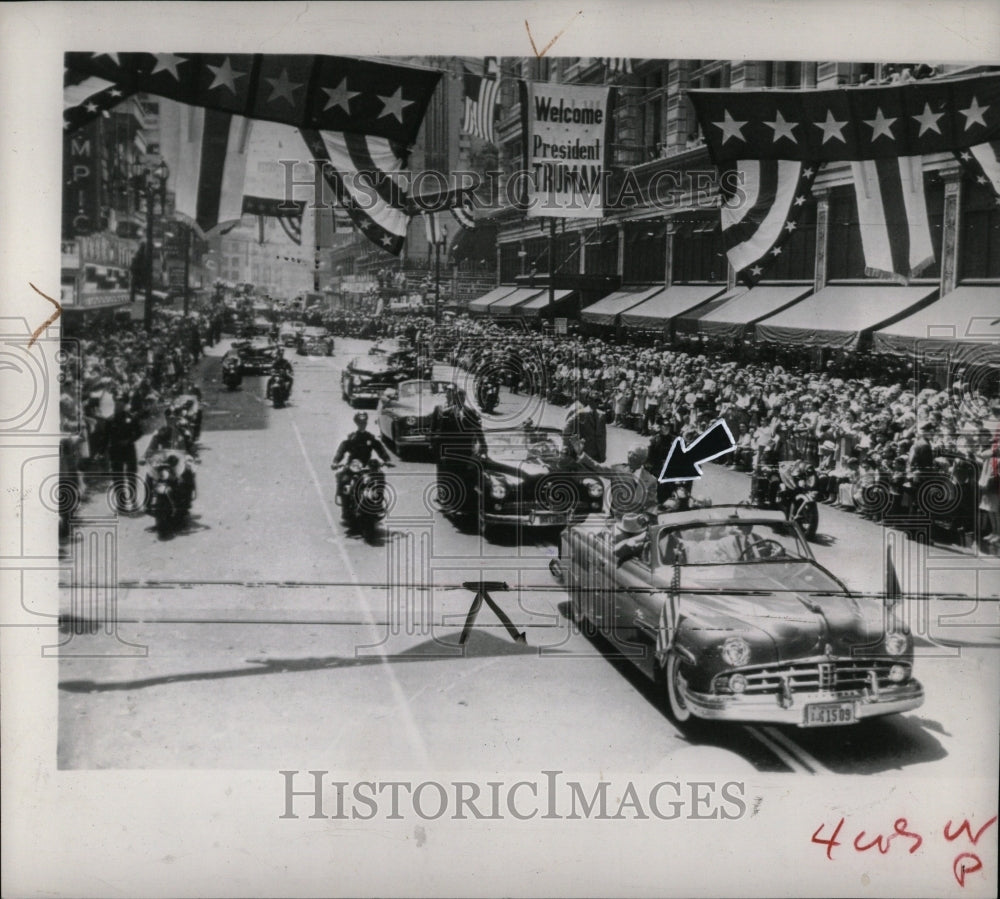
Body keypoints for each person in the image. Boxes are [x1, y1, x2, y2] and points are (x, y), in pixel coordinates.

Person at [331, 412, 391, 518]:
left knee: (379, 476)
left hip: (367, 464)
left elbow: (379, 448)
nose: (362, 424)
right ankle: (345, 508)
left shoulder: (370, 437)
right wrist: (336, 462)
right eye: (360, 422)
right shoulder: (352, 437)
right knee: (344, 479)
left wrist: (386, 459)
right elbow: (342, 449)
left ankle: (378, 502)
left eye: (364, 422)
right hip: (353, 465)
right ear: (356, 423)